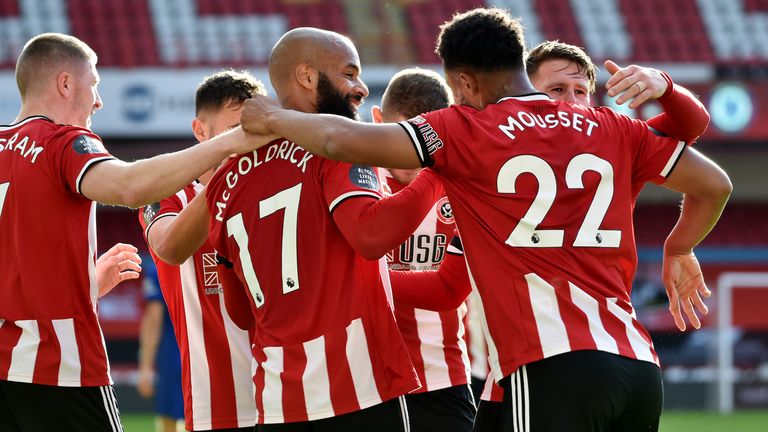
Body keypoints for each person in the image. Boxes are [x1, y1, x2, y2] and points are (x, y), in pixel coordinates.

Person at [239, 8, 732, 432]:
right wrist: (678, 246)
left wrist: (271, 117)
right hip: (638, 366)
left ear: (464, 83)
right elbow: (715, 185)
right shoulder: (611, 126)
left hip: (550, 365)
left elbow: (337, 141)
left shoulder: (464, 129)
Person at [204, 27, 462, 431]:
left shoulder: (224, 181)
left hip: (277, 398)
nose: (360, 88)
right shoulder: (335, 146)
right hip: (354, 389)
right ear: (307, 77)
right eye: (349, 73)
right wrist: (437, 170)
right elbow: (370, 234)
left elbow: (239, 312)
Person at [0, 32, 261, 431]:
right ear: (66, 83)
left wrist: (83, 285)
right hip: (59, 364)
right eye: (94, 84)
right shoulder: (62, 142)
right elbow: (128, 186)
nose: (99, 100)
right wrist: (232, 144)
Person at [472, 39, 713, 431]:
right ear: (525, 94)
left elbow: (691, 127)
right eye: (557, 89)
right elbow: (694, 131)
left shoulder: (612, 142)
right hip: (540, 363)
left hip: (555, 360)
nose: (571, 101)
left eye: (581, 91)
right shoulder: (496, 143)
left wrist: (664, 85)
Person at [139, 70, 264, 432]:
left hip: (286, 393)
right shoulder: (170, 195)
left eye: (253, 132)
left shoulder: (274, 194)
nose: (245, 144)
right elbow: (168, 247)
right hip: (216, 401)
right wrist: (229, 176)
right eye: (234, 131)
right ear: (200, 130)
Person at [372, 68, 475, 432]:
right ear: (378, 121)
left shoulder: (463, 188)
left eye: (425, 139)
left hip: (444, 376)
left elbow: (450, 290)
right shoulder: (355, 183)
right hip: (369, 382)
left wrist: (362, 282)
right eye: (405, 135)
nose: (414, 152)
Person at [137, 259, 185, 432]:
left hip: (174, 357)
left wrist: (145, 367)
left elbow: (153, 319)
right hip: (207, 356)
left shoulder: (158, 266)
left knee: (169, 422)